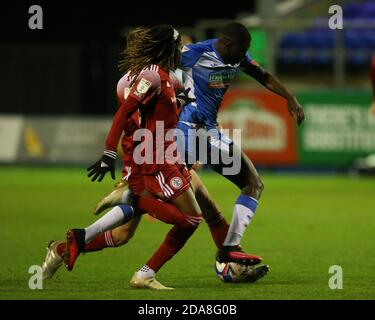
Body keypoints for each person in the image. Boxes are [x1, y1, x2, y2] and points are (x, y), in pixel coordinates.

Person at [176, 22, 305, 263]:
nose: (244, 54)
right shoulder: (195, 53)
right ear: (226, 43)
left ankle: (228, 248)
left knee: (250, 184)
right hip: (191, 131)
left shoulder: (238, 55)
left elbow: (263, 75)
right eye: (241, 49)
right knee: (248, 183)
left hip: (208, 132)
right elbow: (160, 71)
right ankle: (228, 249)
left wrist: (290, 97)